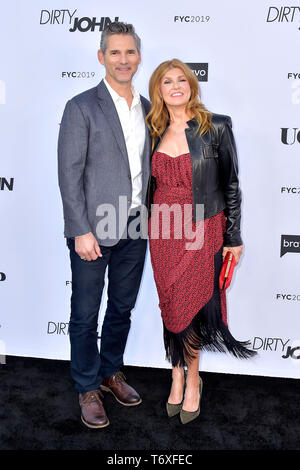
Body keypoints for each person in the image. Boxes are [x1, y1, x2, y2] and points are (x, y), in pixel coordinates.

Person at [146, 59, 256, 425]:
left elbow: (232, 185)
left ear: (192, 85)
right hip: (162, 231)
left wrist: (233, 237)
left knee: (194, 305)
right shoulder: (153, 128)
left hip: (202, 228)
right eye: (167, 81)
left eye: (182, 80)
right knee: (172, 304)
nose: (176, 86)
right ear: (158, 90)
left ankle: (193, 379)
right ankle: (175, 372)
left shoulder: (217, 126)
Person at [57, 22, 151, 429]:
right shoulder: (81, 106)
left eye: (129, 52)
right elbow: (69, 173)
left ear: (139, 57)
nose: (123, 59)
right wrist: (80, 230)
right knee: (84, 312)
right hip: (93, 229)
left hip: (135, 225)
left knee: (122, 307)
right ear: (101, 57)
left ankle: (112, 372)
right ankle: (86, 386)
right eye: (115, 52)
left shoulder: (149, 108)